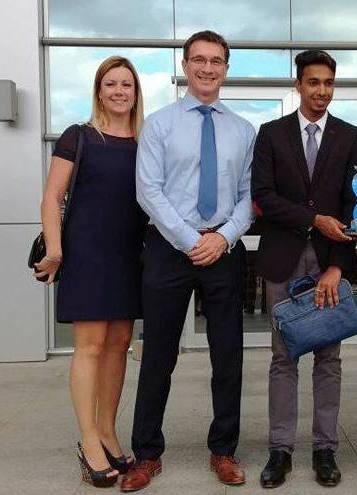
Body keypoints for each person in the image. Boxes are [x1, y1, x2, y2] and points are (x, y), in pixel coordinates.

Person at [122, 30, 255, 491]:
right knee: (158, 354)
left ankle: (223, 450)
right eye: (198, 60)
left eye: (216, 61)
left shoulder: (243, 130)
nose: (207, 68)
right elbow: (148, 191)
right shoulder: (159, 124)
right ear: (185, 65)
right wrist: (186, 239)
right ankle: (146, 454)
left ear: (226, 68)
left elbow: (247, 197)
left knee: (228, 356)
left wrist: (222, 238)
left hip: (222, 250)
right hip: (167, 248)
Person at [251, 49, 357, 489]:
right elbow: (262, 194)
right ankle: (280, 450)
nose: (321, 91)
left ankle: (324, 450)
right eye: (313, 82)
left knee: (329, 358)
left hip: (329, 262)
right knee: (283, 357)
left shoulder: (351, 136)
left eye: (328, 83)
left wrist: (338, 266)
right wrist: (311, 219)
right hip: (283, 258)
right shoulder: (272, 133)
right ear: (298, 85)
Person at [34, 55, 146, 488]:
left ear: (136, 93)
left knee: (119, 344)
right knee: (91, 346)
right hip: (87, 254)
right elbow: (51, 197)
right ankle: (88, 440)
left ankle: (108, 431)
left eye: (127, 85)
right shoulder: (78, 137)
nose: (119, 91)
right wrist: (57, 251)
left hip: (129, 254)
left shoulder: (145, 141)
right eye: (111, 84)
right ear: (99, 91)